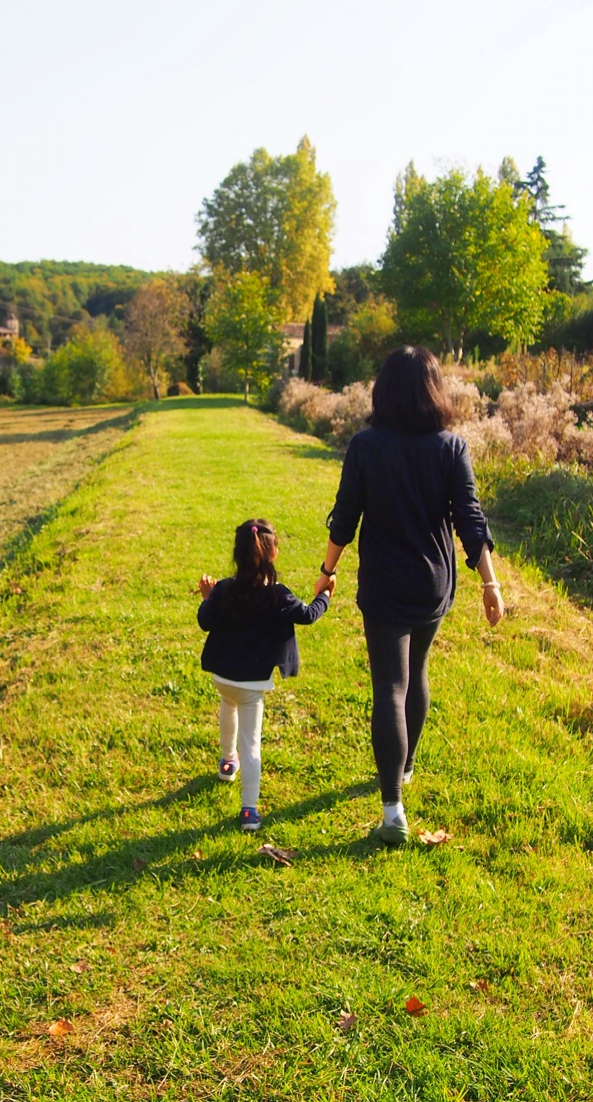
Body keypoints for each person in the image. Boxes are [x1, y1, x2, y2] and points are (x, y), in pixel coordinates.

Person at [314, 346, 505, 847]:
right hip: (432, 583)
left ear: (384, 391)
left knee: (390, 688)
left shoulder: (365, 445)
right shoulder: (451, 446)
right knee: (415, 673)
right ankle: (408, 765)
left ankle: (393, 806)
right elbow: (470, 519)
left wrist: (326, 571)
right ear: (434, 390)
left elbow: (345, 515)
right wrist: (491, 583)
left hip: (384, 584)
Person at [198, 518, 333, 832]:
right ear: (273, 554)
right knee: (252, 744)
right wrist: (325, 595)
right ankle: (249, 811)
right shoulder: (278, 595)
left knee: (226, 707)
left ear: (237, 554)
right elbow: (309, 615)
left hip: (223, 677)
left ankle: (227, 762)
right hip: (252, 684)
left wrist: (207, 596)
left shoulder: (223, 589)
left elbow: (205, 621)